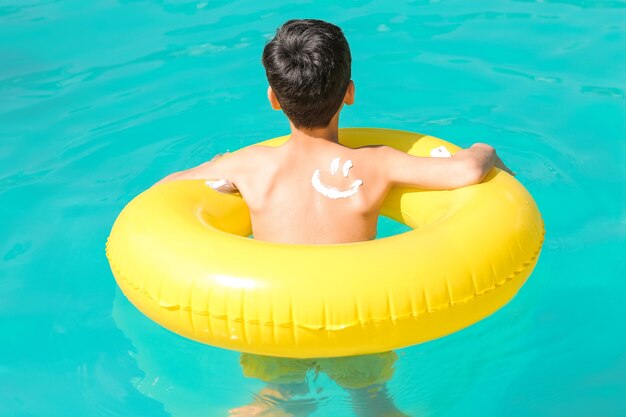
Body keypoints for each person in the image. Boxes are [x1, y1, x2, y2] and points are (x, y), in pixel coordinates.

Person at [157, 18, 509, 417]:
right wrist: (483, 148)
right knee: (372, 401)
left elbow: (168, 189)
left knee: (280, 400)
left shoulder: (250, 165)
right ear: (350, 94)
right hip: (353, 320)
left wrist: (223, 168)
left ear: (273, 97)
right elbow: (465, 172)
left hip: (276, 320)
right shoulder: (375, 164)